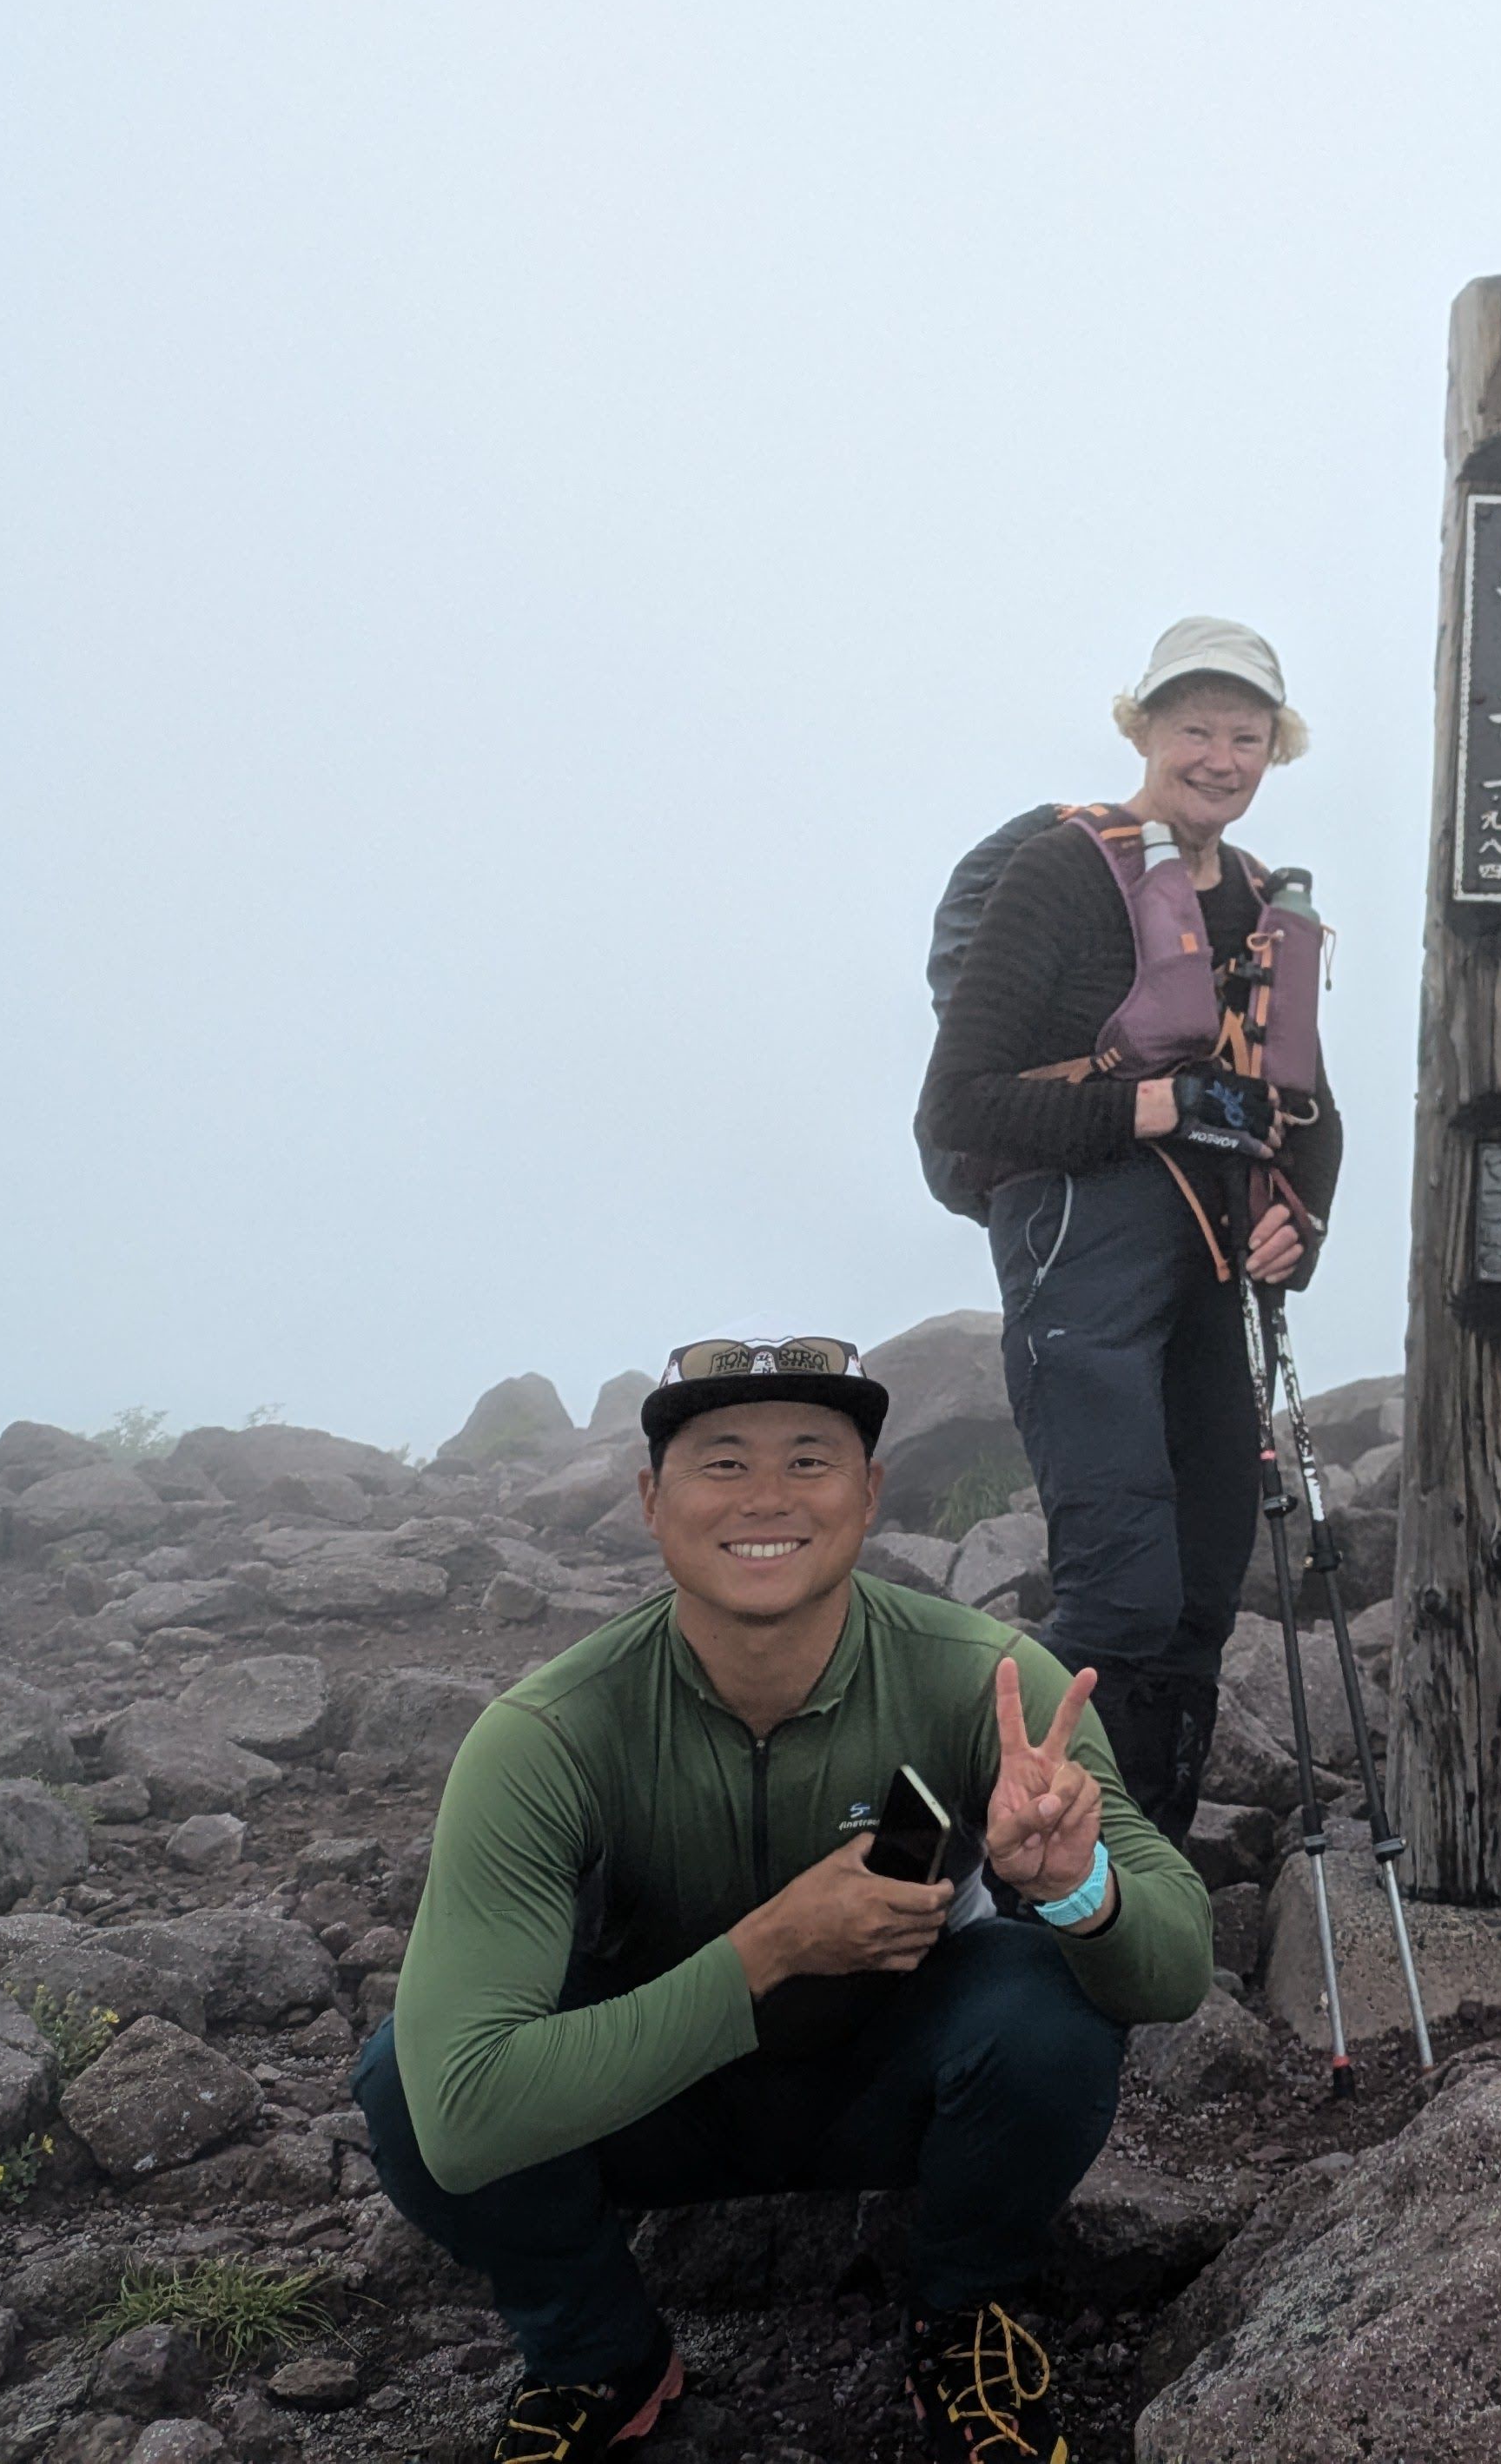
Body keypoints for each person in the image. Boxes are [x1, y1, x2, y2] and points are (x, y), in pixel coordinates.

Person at [359, 1338, 1209, 2464]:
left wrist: (1077, 1888)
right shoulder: (550, 1735)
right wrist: (766, 1950)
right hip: (655, 2099)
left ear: (870, 1495)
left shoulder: (988, 1681)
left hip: (889, 2073)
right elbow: (462, 2124)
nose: (767, 1498)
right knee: (407, 2079)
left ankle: (962, 2317)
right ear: (652, 1502)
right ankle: (600, 2354)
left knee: (1045, 2001)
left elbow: (1179, 1966)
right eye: (722, 1463)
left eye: (811, 1460)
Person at [916, 618, 1342, 1838]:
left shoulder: (1262, 902)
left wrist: (1299, 1225)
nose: (1219, 755)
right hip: (1077, 1256)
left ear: (1275, 749)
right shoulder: (1061, 876)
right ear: (1144, 731)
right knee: (1114, 1599)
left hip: (1208, 1274)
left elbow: (1308, 1112)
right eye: (1194, 728)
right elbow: (961, 1100)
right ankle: (917, 1855)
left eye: (1246, 734)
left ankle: (1140, 1872)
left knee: (1202, 1594)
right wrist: (1154, 1101)